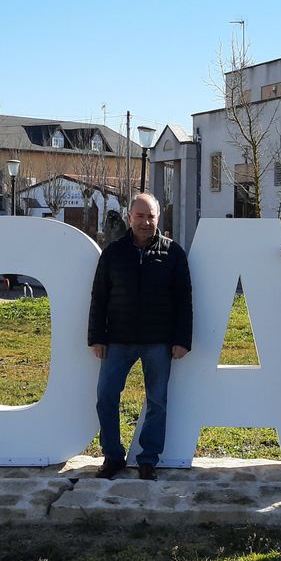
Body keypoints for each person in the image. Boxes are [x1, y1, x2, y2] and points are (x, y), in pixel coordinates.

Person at [87, 192, 192, 480]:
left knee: (157, 402)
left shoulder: (174, 253)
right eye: (140, 216)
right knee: (106, 397)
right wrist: (97, 337)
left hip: (158, 341)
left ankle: (148, 459)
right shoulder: (113, 253)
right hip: (117, 340)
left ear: (159, 218)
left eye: (151, 216)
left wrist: (182, 340)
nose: (146, 222)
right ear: (129, 217)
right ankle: (112, 456)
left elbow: (184, 300)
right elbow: (99, 297)